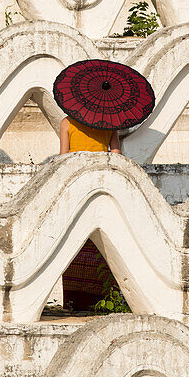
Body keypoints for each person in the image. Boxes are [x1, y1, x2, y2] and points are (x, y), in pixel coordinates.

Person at [58, 115, 121, 310]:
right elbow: (117, 155)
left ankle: (73, 300)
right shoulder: (111, 124)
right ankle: (100, 299)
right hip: (102, 183)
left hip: (77, 183)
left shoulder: (67, 122)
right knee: (103, 240)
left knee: (73, 240)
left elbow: (63, 156)